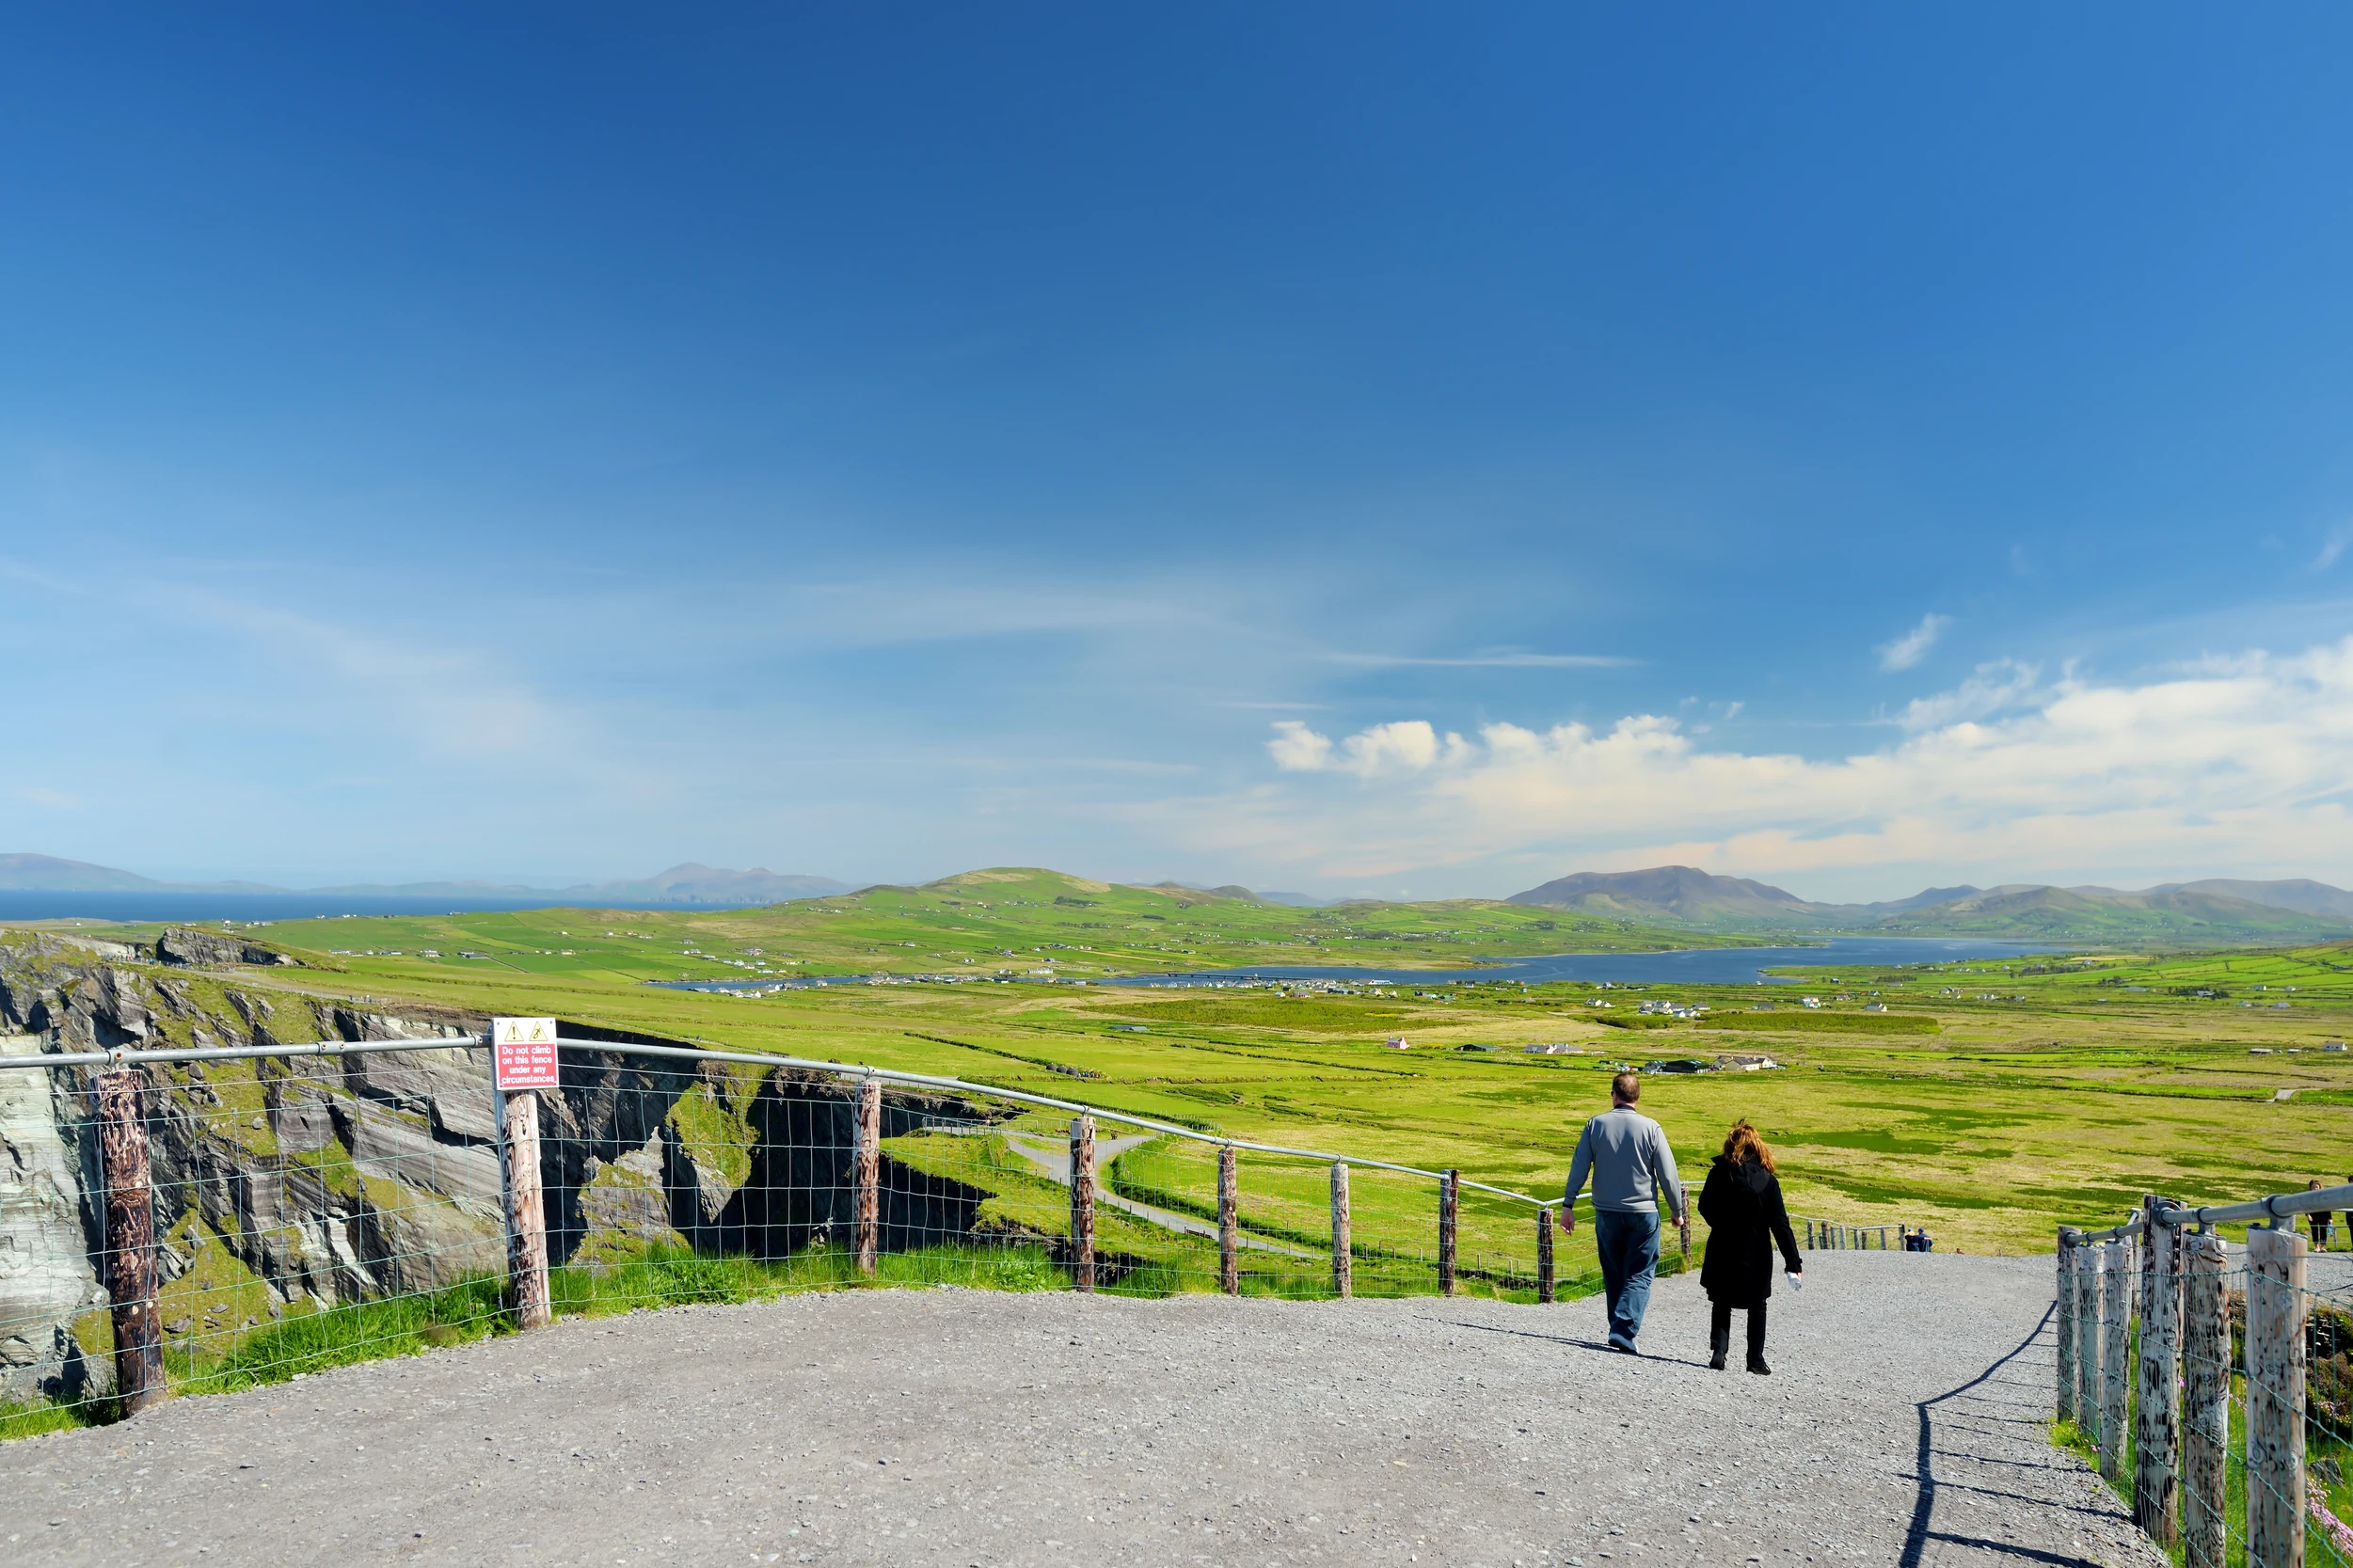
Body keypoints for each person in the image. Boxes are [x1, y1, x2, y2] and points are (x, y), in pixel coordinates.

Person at [1562, 1070, 1687, 1354]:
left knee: (1614, 1272)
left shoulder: (1595, 1125)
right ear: (1637, 1097)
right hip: (1643, 1212)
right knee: (1640, 1273)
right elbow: (1668, 1174)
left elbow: (1579, 1167)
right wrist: (1677, 1210)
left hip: (1606, 1212)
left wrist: (1568, 1205)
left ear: (1614, 1095)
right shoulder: (1652, 1128)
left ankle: (1617, 1327)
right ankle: (1622, 1328)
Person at [1697, 1119, 1803, 1374]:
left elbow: (1704, 1205)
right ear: (1758, 1148)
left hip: (1723, 1245)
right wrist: (1793, 1262)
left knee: (1721, 1301)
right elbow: (1780, 1224)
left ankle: (1719, 1352)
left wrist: (1719, 1224)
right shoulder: (1768, 1181)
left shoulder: (1719, 1173)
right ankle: (1755, 1360)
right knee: (1758, 1305)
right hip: (1756, 1251)